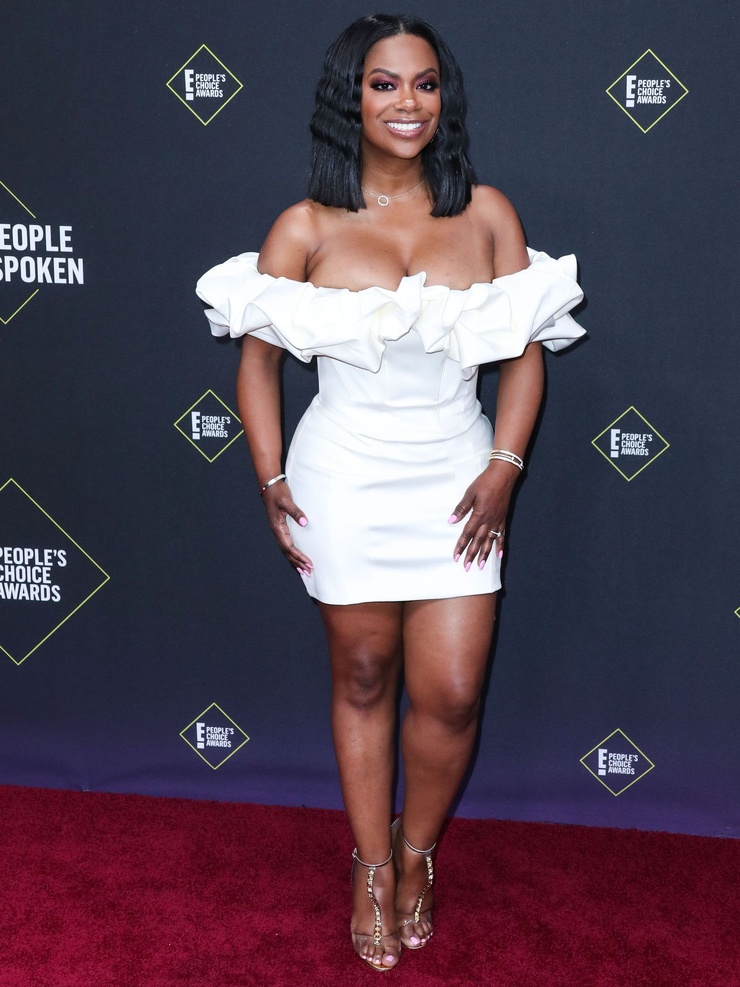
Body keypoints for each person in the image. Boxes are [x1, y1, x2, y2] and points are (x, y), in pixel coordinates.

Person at [197, 13, 584, 972]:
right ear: (351, 97)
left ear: (445, 98)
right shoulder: (306, 225)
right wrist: (270, 475)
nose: (407, 102)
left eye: (424, 83)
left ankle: (419, 852)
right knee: (365, 677)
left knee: (451, 693)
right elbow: (258, 362)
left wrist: (504, 466)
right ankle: (371, 867)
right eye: (384, 83)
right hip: (344, 477)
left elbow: (526, 355)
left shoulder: (487, 214)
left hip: (458, 476)